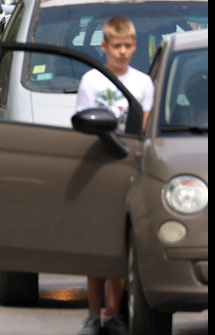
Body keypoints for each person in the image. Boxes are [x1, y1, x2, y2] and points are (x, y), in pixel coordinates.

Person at [75, 16, 154, 335]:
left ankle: (114, 313)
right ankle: (94, 314)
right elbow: (82, 125)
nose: (122, 52)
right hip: (99, 167)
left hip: (129, 168)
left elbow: (145, 127)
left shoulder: (143, 83)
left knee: (120, 247)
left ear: (134, 46)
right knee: (98, 248)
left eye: (127, 46)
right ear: (104, 46)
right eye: (116, 46)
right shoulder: (92, 81)